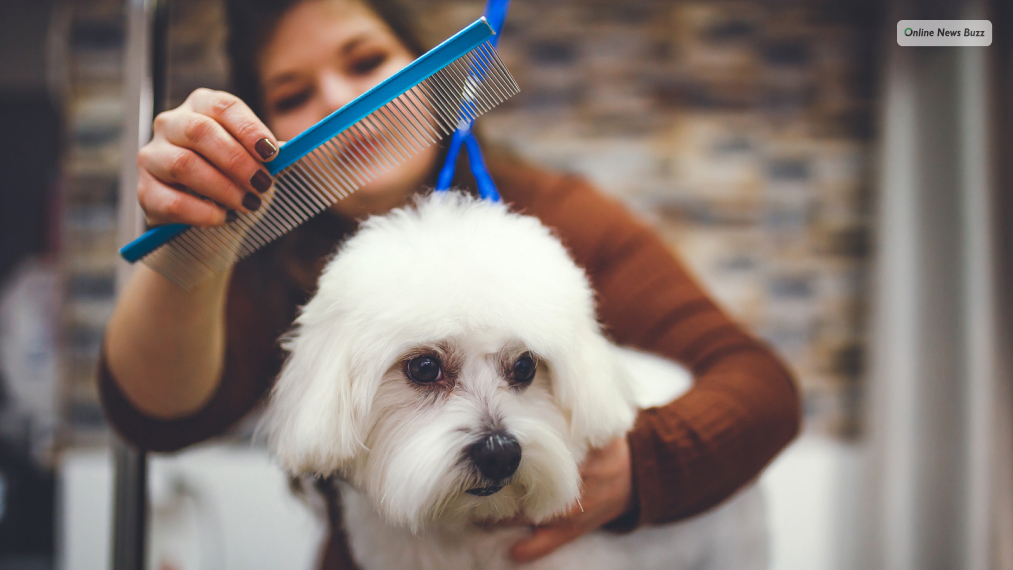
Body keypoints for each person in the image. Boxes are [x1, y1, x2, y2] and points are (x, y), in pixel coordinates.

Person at [100, 0, 801, 567]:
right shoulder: (277, 262)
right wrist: (205, 235)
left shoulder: (554, 218)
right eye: (293, 93)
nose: (343, 100)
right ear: (269, 134)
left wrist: (641, 468)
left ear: (426, 73)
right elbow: (154, 418)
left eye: (367, 60)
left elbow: (762, 385)